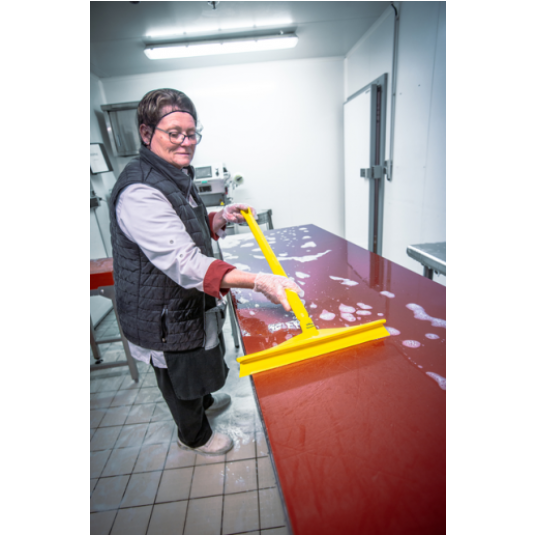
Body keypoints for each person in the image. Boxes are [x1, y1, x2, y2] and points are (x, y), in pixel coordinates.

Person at [109, 88, 302, 455]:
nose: (186, 142)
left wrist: (219, 218)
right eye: (174, 133)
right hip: (161, 312)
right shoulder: (139, 192)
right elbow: (182, 260)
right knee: (179, 375)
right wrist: (258, 281)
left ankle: (205, 403)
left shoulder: (173, 172)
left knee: (199, 360)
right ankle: (193, 435)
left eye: (191, 133)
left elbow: (184, 223)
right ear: (147, 133)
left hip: (182, 303)